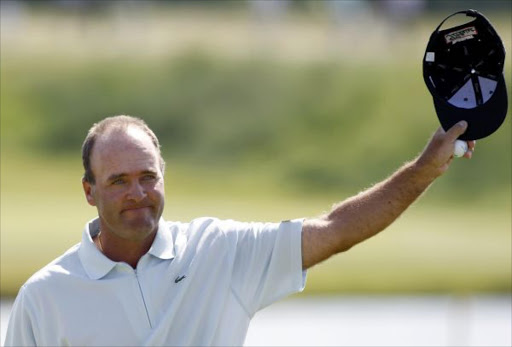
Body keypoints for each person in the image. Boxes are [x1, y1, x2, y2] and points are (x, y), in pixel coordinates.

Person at [5, 115, 475, 346]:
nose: (138, 192)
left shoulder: (218, 252)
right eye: (119, 181)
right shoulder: (44, 298)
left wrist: (422, 171)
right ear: (89, 191)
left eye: (148, 177)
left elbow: (335, 230)